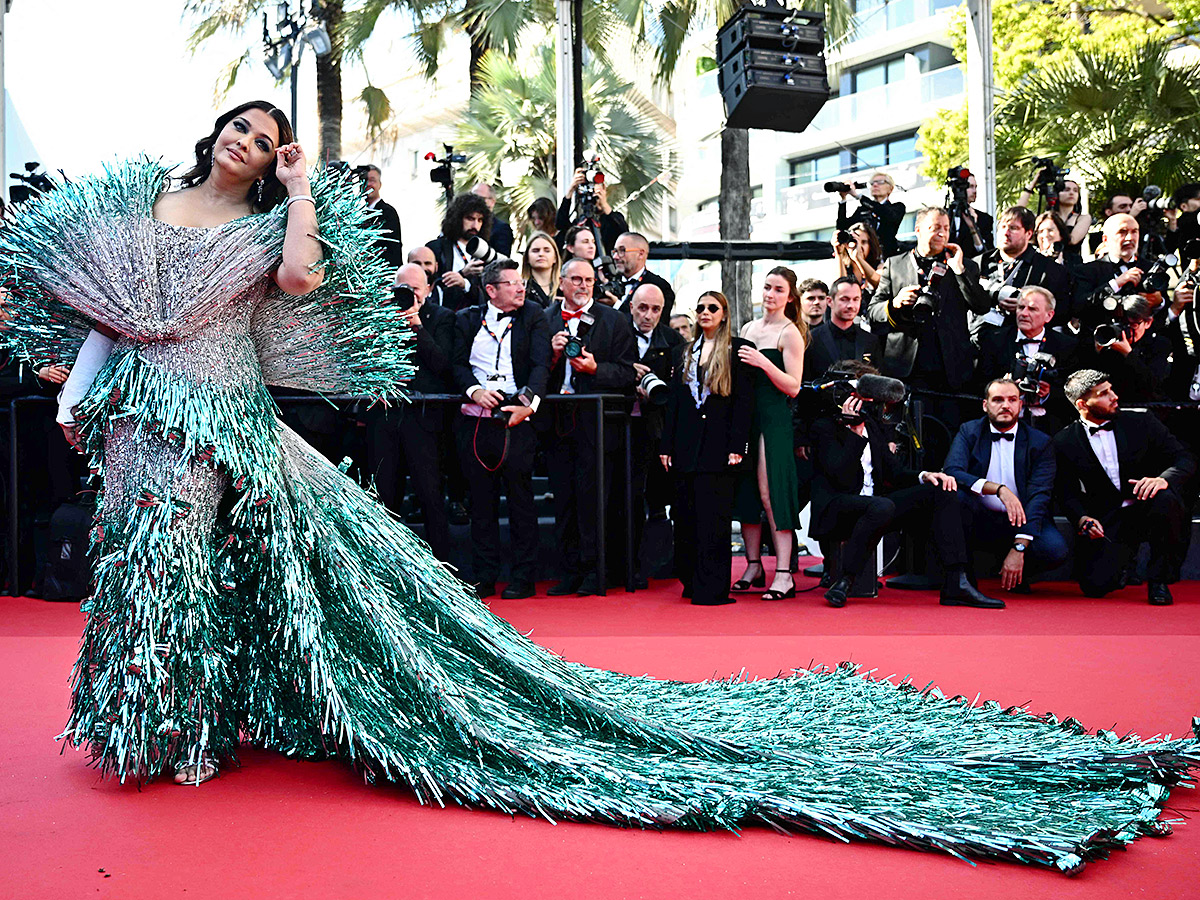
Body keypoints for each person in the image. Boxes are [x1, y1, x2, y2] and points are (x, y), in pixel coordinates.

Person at [5, 102, 1195, 874]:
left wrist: (306, 182)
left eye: (267, 140)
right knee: (143, 553)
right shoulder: (141, 212)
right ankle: (156, 719)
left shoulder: (272, 228)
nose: (247, 143)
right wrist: (75, 395)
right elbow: (116, 313)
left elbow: (309, 276)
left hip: (230, 410)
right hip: (138, 413)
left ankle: (181, 725)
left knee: (266, 555)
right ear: (211, 134)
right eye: (243, 130)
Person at [809, 373, 1004, 610]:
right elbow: (839, 476)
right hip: (838, 509)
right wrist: (853, 433)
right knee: (881, 505)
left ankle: (956, 582)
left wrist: (926, 476)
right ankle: (845, 580)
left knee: (940, 490)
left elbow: (895, 473)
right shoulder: (823, 427)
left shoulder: (871, 425)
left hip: (877, 508)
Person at [451, 259, 550, 600]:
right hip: (476, 419)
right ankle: (484, 576)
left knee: (521, 500)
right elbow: (457, 364)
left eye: (521, 282)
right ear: (491, 290)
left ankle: (523, 577)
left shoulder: (534, 315)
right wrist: (475, 391)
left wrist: (528, 404)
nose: (521, 288)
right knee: (481, 502)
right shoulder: (466, 319)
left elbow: (540, 366)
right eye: (512, 283)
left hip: (516, 417)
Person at [1053, 370, 1195, 604]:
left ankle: (1159, 580)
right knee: (1094, 587)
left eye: (1111, 389)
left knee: (1166, 500)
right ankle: (1125, 563)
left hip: (1148, 507)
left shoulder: (1142, 420)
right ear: (1082, 404)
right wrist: (1081, 518)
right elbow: (1066, 491)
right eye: (1104, 394)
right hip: (1108, 517)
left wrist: (1163, 479)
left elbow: (1184, 458)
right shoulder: (1064, 441)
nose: (1114, 396)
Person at [544, 258, 638, 596]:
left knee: (594, 499)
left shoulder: (614, 320)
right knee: (563, 498)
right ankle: (568, 570)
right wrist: (552, 357)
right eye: (576, 280)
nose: (583, 285)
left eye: (588, 280)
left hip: (596, 425)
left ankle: (595, 571)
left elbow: (628, 374)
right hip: (556, 423)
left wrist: (596, 368)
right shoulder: (545, 319)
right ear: (562, 283)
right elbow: (532, 370)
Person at [660, 291, 751, 606]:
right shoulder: (682, 352)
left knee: (714, 519)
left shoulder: (737, 350)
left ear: (724, 313)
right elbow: (674, 402)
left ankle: (712, 589)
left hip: (719, 445)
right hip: (686, 445)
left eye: (713, 308)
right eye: (700, 308)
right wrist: (666, 445)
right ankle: (690, 580)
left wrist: (738, 445)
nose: (705, 312)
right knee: (685, 516)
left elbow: (743, 403)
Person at [867, 206, 990, 432]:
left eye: (946, 228)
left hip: (951, 371)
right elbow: (873, 313)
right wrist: (894, 303)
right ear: (918, 230)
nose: (942, 234)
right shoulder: (895, 264)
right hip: (907, 369)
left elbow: (981, 306)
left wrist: (959, 270)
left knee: (949, 436)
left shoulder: (963, 264)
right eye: (935, 228)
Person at [363, 263, 456, 560]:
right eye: (401, 289)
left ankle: (443, 568)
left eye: (415, 289)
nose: (408, 294)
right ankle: (382, 566)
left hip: (424, 419)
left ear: (428, 290)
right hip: (384, 417)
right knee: (383, 496)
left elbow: (443, 365)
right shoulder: (377, 319)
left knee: (430, 496)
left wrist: (416, 325)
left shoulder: (442, 319)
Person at [942, 379, 1068, 593]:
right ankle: (964, 578)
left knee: (1055, 549)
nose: (1006, 406)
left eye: (1012, 400)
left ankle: (1018, 573)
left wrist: (1019, 546)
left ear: (1021, 405)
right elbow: (952, 471)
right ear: (985, 405)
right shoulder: (969, 431)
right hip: (980, 517)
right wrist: (999, 489)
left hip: (1024, 518)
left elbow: (1040, 495)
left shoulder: (1040, 442)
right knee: (955, 499)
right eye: (998, 400)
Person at [732, 267, 804, 601]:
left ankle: (785, 572)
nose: (770, 294)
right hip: (746, 418)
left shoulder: (790, 333)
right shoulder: (748, 327)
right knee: (747, 493)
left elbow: (794, 386)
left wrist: (763, 362)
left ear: (789, 297)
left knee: (771, 493)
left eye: (778, 289)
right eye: (766, 287)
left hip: (774, 420)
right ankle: (753, 564)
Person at [623, 283, 684, 588]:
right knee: (624, 498)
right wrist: (626, 379)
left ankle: (658, 565)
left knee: (658, 500)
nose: (648, 315)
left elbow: (678, 391)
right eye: (642, 308)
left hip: (656, 431)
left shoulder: (673, 341)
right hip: (618, 426)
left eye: (656, 309)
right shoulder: (615, 332)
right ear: (631, 305)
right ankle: (625, 567)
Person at [974, 286, 1078, 434]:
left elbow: (1073, 392)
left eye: (1032, 309)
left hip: (1051, 426)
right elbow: (979, 384)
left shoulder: (1066, 345)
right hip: (1002, 425)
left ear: (1049, 316)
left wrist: (1047, 394)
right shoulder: (995, 340)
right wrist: (1003, 387)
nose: (1024, 313)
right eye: (1020, 308)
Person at [975, 206, 1072, 336]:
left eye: (1013, 228)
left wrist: (1027, 308)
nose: (1005, 233)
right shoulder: (979, 263)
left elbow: (1062, 313)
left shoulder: (1050, 271)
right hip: (980, 339)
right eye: (1002, 227)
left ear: (1029, 234)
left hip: (1022, 344)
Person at [1072, 214, 1154, 325]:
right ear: (1105, 240)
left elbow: (1163, 312)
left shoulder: (1150, 268)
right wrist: (1116, 284)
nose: (1129, 238)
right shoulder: (1087, 270)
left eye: (1134, 232)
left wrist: (1159, 302)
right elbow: (1079, 307)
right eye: (1122, 232)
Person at [426, 192, 493, 311]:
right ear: (457, 218)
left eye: (480, 220)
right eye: (470, 218)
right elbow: (429, 285)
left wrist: (466, 284)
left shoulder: (485, 251)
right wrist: (463, 273)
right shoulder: (437, 248)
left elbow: (489, 293)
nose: (475, 225)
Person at [802, 277, 881, 380]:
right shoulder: (811, 339)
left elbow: (878, 382)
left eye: (856, 299)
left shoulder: (870, 340)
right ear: (829, 301)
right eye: (844, 299)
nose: (851, 305)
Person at [1018, 174, 1092, 264]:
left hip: (1071, 263)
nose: (1071, 193)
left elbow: (1072, 240)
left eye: (1075, 191)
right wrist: (1032, 184)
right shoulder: (1045, 218)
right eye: (1066, 190)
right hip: (1044, 260)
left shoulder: (1083, 218)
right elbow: (1018, 213)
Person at [555, 167, 629, 255]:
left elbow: (624, 233)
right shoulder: (581, 221)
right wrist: (570, 191)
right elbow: (560, 225)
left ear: (604, 190)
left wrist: (604, 204)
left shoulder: (611, 219)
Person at [836, 171, 906, 258]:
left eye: (880, 182)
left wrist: (858, 196)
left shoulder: (897, 207)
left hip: (886, 257)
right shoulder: (863, 209)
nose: (875, 185)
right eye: (872, 183)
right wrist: (843, 200)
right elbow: (842, 227)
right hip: (865, 257)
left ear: (890, 188)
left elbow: (886, 213)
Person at [613, 231, 675, 317]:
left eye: (622, 251)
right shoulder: (611, 281)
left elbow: (655, 325)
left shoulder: (660, 286)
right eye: (615, 251)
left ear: (641, 254)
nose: (615, 256)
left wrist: (616, 305)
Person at [363, 164, 404, 269]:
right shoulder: (357, 213)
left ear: (379, 184)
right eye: (364, 180)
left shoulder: (388, 212)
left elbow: (391, 248)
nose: (368, 184)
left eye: (372, 180)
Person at [949, 172, 994, 260]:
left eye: (975, 187)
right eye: (970, 186)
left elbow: (987, 253)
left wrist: (973, 228)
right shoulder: (945, 216)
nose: (974, 191)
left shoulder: (984, 219)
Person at [834, 222, 882, 293]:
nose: (860, 246)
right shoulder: (843, 267)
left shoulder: (879, 266)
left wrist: (858, 258)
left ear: (871, 245)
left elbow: (880, 284)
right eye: (856, 241)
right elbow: (840, 289)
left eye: (864, 242)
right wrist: (839, 254)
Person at [471, 182, 514, 256]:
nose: (474, 202)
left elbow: (502, 261)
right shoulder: (463, 225)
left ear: (492, 202)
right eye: (472, 197)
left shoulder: (501, 229)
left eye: (480, 199)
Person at [521, 231, 560, 307]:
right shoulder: (521, 289)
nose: (541, 254)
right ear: (527, 258)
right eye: (535, 250)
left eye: (547, 250)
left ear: (555, 257)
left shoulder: (565, 287)